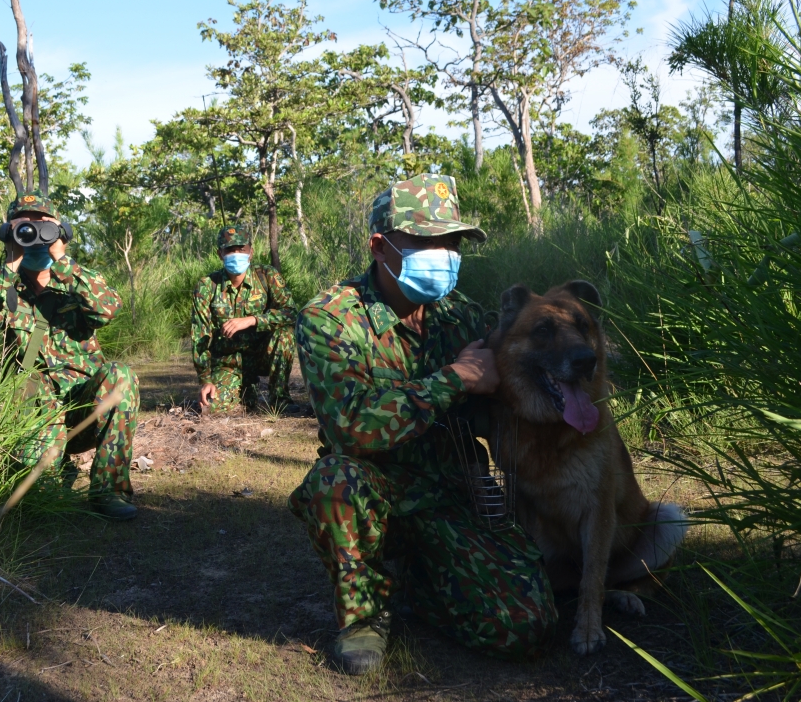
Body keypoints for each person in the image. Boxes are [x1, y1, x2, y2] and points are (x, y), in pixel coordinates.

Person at [288, 174, 557, 674]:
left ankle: (419, 582)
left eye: (451, 242)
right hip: (376, 493)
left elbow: (512, 385)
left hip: (455, 494)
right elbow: (351, 427)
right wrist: (454, 379)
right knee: (333, 483)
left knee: (526, 624)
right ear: (379, 247)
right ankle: (363, 613)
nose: (445, 254)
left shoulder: (462, 316)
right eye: (428, 242)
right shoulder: (329, 318)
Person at [0, 190, 139, 520]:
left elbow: (109, 309)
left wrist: (61, 258)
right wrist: (10, 264)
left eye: (43, 227)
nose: (35, 236)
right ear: (9, 233)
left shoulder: (75, 281)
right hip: (36, 409)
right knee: (41, 501)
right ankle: (57, 472)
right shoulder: (5, 288)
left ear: (61, 232)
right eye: (23, 228)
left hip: (85, 404)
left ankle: (108, 490)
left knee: (121, 375)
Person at [191, 225, 297, 413]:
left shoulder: (266, 276)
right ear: (220, 253)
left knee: (285, 334)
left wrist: (253, 320)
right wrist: (205, 379)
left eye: (241, 249)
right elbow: (200, 336)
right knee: (210, 408)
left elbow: (291, 313)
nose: (236, 254)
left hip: (262, 355)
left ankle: (280, 399)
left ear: (251, 252)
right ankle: (247, 391)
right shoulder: (207, 286)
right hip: (227, 362)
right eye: (230, 250)